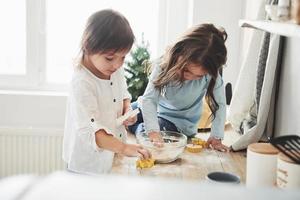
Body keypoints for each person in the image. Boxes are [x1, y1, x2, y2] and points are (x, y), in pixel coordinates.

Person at [63, 9, 151, 175]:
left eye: (123, 57)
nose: (117, 64)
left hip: (112, 157)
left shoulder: (113, 68)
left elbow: (123, 92)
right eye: (110, 58)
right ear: (88, 46)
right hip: (86, 165)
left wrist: (127, 110)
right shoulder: (82, 83)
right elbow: (92, 131)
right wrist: (125, 148)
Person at [128, 24, 229, 152]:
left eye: (198, 76)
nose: (189, 76)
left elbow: (219, 105)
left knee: (153, 128)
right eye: (185, 69)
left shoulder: (211, 76)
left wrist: (216, 137)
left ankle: (137, 127)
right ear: (177, 53)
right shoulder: (163, 64)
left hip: (177, 123)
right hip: (153, 107)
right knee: (126, 112)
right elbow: (149, 100)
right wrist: (153, 131)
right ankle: (136, 123)